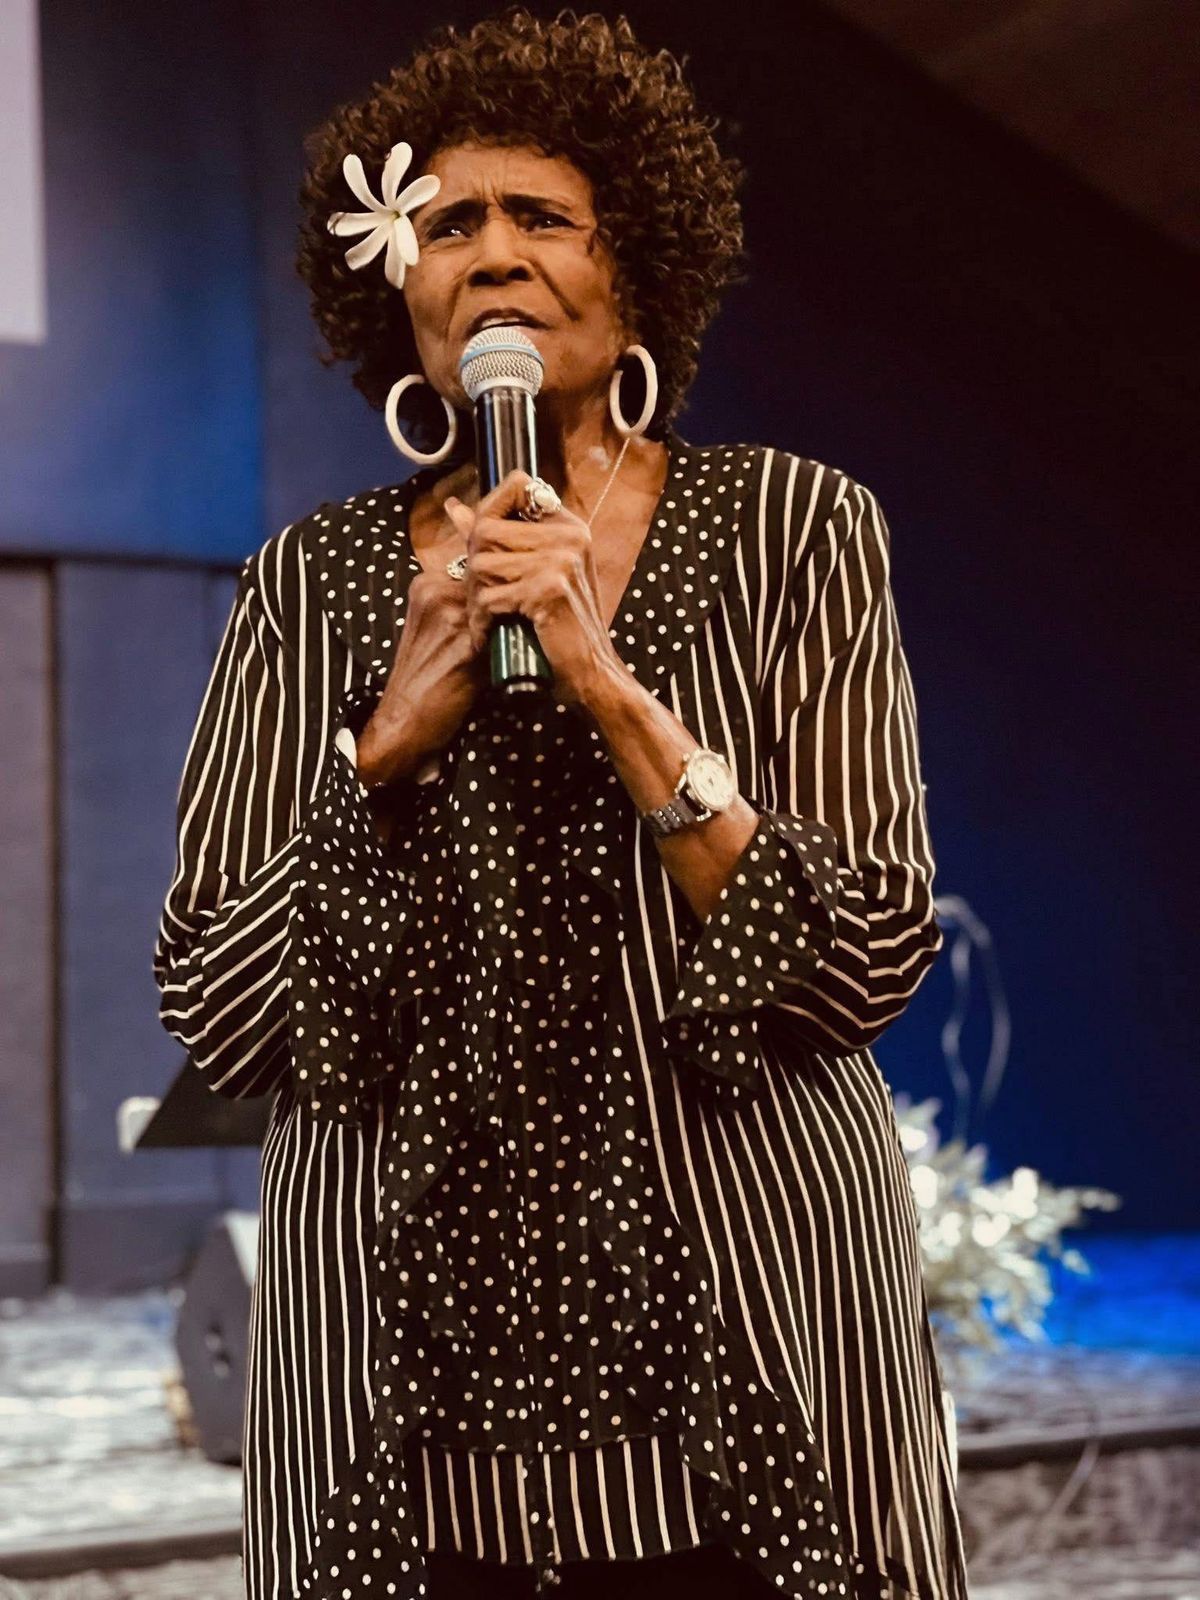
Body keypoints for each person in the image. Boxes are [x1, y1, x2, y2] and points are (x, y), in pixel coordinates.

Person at [152, 9, 970, 1600]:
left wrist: (611, 688)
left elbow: (867, 952)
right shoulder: (305, 588)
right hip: (403, 1340)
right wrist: (387, 737)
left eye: (542, 215)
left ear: (634, 270)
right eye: (449, 222)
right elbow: (223, 1010)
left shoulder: (794, 527)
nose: (495, 256)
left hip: (744, 1292)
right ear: (398, 294)